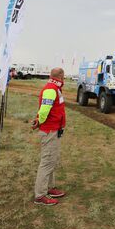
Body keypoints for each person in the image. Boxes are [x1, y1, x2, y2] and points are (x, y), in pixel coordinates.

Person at [32, 68, 67, 205]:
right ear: (60, 76)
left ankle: (50, 188)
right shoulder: (51, 89)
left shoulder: (54, 88)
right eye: (63, 75)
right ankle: (40, 195)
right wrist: (39, 120)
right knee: (47, 162)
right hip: (50, 131)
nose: (64, 78)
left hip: (54, 130)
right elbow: (45, 109)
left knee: (52, 160)